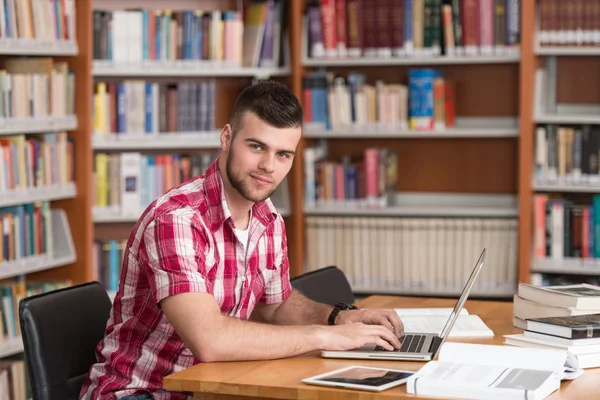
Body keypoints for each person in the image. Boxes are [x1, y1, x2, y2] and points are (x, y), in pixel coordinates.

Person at [79, 81, 404, 400]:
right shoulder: (178, 220)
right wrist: (327, 337)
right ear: (227, 137)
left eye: (283, 155)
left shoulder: (267, 217)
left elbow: (275, 306)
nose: (268, 166)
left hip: (214, 386)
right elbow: (211, 341)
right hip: (145, 391)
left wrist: (338, 318)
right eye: (257, 147)